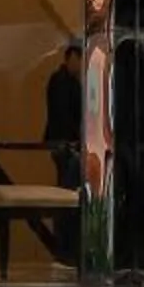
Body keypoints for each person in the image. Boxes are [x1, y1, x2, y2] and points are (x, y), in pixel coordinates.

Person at [43, 41, 85, 191]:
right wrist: (74, 138)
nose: (80, 65)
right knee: (66, 181)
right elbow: (62, 115)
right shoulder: (61, 81)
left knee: (66, 179)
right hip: (63, 141)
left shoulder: (69, 81)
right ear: (71, 58)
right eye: (79, 60)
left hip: (62, 140)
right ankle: (63, 213)